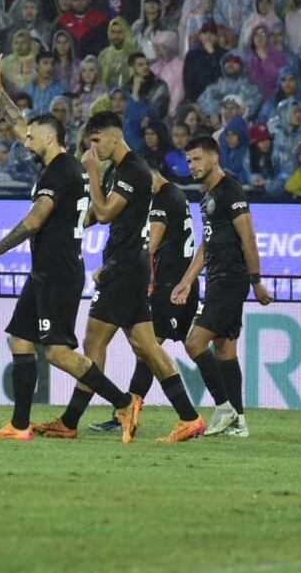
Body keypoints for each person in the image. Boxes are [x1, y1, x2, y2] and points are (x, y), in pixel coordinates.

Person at [0, 58, 141, 442]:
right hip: (46, 271)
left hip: (59, 273)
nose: (24, 141)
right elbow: (18, 124)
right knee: (20, 338)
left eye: (31, 138)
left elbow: (35, 220)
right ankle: (18, 425)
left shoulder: (59, 172)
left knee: (59, 353)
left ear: (49, 139)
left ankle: (123, 402)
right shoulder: (61, 164)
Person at [36, 110, 206, 442]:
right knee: (142, 346)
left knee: (98, 343)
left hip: (125, 268)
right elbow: (94, 215)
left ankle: (85, 417)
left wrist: (91, 172)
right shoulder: (121, 170)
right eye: (89, 142)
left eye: (96, 140)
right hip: (128, 266)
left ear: (115, 136)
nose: (92, 148)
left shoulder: (132, 170)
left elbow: (103, 212)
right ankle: (189, 418)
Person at [171, 135, 273, 437]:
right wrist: (187, 281)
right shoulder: (207, 194)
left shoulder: (231, 190)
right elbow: (208, 241)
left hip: (231, 280)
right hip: (216, 278)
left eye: (197, 159)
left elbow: (248, 237)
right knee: (225, 350)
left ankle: (223, 407)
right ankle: (239, 422)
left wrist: (256, 281)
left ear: (214, 158)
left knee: (194, 343)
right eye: (189, 160)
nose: (192, 165)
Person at [89, 168, 201, 433]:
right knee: (164, 350)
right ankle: (225, 408)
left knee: (149, 352)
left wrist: (116, 268)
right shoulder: (176, 194)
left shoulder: (162, 198)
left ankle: (133, 414)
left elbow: (150, 244)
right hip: (178, 283)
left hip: (168, 286)